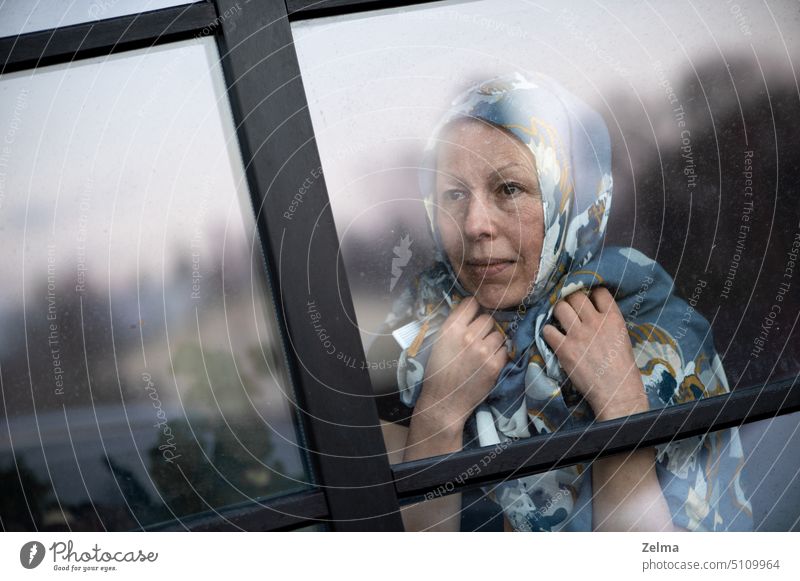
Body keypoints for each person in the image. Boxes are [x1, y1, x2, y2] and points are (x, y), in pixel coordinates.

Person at [373, 72, 752, 532]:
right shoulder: (408, 338)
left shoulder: (655, 335)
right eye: (454, 194)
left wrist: (621, 407)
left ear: (574, 198)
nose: (474, 224)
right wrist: (438, 414)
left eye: (508, 189)